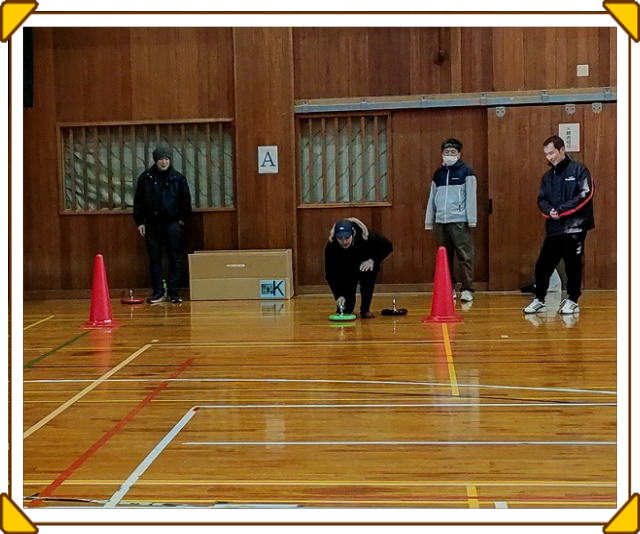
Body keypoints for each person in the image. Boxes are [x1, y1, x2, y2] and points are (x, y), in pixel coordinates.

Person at [523, 135, 595, 315]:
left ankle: (573, 300)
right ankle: (539, 299)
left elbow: (585, 194)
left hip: (575, 227)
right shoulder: (547, 177)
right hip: (554, 229)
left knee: (573, 265)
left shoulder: (579, 170)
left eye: (552, 153)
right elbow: (541, 199)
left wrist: (561, 210)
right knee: (543, 265)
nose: (549, 157)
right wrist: (550, 211)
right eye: (546, 154)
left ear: (562, 149)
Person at [133, 144, 192, 304]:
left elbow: (186, 201)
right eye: (160, 159)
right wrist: (140, 222)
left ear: (170, 160)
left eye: (166, 159)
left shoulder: (178, 178)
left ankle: (174, 292)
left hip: (173, 223)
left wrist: (181, 220)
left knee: (175, 258)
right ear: (155, 160)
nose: (164, 162)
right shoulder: (145, 178)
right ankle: (158, 292)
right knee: (154, 259)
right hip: (152, 224)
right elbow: (139, 202)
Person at [424, 138, 477, 302]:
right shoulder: (438, 174)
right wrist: (429, 220)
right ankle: (449, 288)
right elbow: (432, 197)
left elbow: (471, 197)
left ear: (459, 154)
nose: (449, 154)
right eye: (446, 152)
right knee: (444, 257)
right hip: (441, 221)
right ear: (442, 154)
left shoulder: (467, 172)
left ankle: (467, 289)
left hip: (459, 221)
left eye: (453, 152)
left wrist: (471, 219)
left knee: (464, 256)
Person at [325, 218, 393, 319]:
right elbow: (330, 274)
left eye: (347, 238)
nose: (344, 241)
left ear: (353, 234)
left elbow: (388, 246)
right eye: (340, 238)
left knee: (367, 280)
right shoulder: (331, 247)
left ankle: (365, 310)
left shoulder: (368, 237)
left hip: (366, 265)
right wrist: (338, 295)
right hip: (346, 269)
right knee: (346, 307)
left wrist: (373, 260)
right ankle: (345, 307)